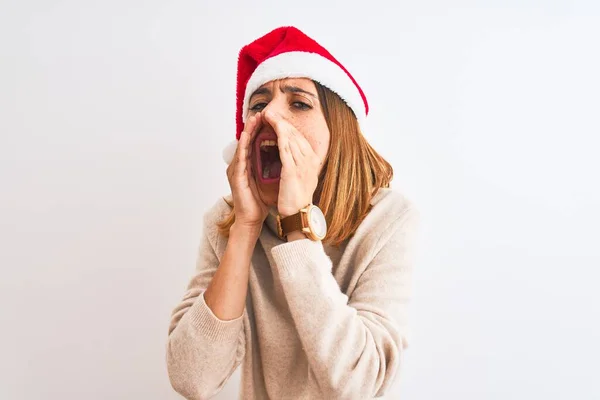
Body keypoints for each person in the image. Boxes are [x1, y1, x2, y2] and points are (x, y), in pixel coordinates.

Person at [166, 26, 419, 400]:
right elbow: (192, 378)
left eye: (298, 103)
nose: (270, 115)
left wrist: (296, 224)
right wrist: (245, 228)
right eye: (258, 104)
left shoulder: (386, 219)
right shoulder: (226, 222)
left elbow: (360, 384)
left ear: (338, 131)